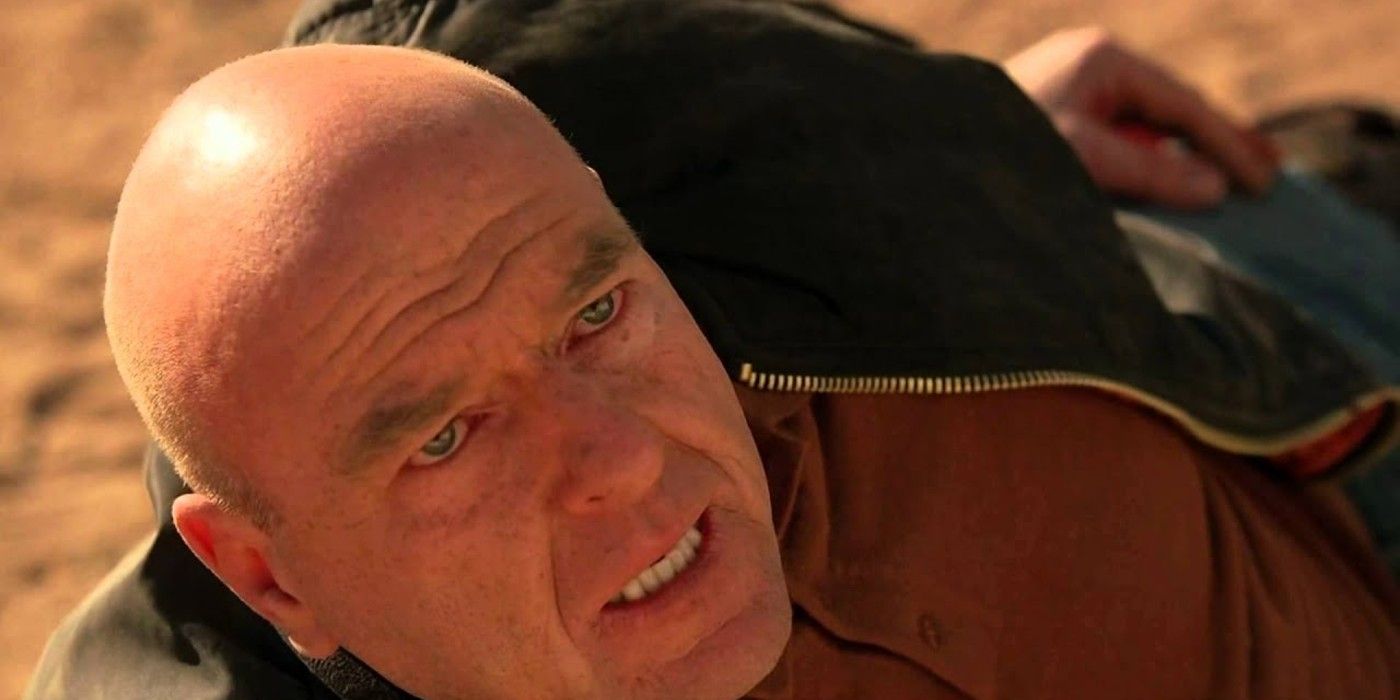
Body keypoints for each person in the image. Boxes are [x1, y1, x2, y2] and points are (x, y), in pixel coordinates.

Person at [26, 1, 1399, 698]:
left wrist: (959, 138)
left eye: (596, 317)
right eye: (446, 439)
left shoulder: (527, 85)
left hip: (1306, 348)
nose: (620, 461)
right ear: (270, 577)